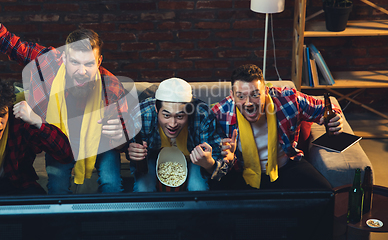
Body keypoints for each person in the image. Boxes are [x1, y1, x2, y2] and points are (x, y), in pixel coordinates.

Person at [0, 0, 128, 194]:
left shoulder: (111, 87)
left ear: (99, 61)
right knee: (56, 187)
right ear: (64, 58)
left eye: (89, 64)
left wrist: (119, 136)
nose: (82, 71)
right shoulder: (49, 63)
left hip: (98, 144)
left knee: (111, 183)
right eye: (75, 63)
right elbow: (5, 40)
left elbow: (124, 142)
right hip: (60, 141)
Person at [211, 64, 343, 190]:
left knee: (324, 192)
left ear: (265, 91)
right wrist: (227, 156)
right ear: (232, 95)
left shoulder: (289, 100)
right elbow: (215, 160)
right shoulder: (220, 114)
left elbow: (328, 108)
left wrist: (335, 118)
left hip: (285, 167)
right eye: (241, 96)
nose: (249, 103)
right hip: (242, 173)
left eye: (255, 94)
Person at [127, 78, 235, 192]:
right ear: (156, 109)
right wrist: (134, 154)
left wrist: (209, 164)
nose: (172, 124)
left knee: (198, 188)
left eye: (180, 116)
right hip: (153, 157)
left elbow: (222, 165)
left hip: (194, 159)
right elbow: (134, 160)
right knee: (143, 189)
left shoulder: (203, 115)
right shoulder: (141, 115)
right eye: (166, 116)